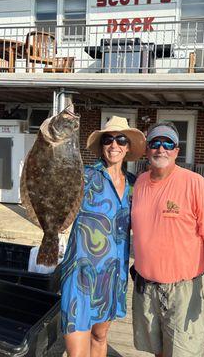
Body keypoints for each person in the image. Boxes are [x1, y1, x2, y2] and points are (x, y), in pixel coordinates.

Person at [131, 122, 204, 357]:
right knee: (158, 351)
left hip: (184, 291)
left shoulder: (195, 184)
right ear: (147, 150)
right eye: (155, 143)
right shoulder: (140, 182)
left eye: (168, 144)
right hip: (146, 288)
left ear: (176, 150)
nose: (160, 149)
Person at [61, 116, 146, 357]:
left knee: (100, 337)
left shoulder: (134, 185)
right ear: (101, 146)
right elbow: (57, 179)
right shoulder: (83, 176)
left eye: (121, 140)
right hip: (81, 275)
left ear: (128, 147)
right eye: (108, 139)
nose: (114, 145)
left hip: (112, 276)